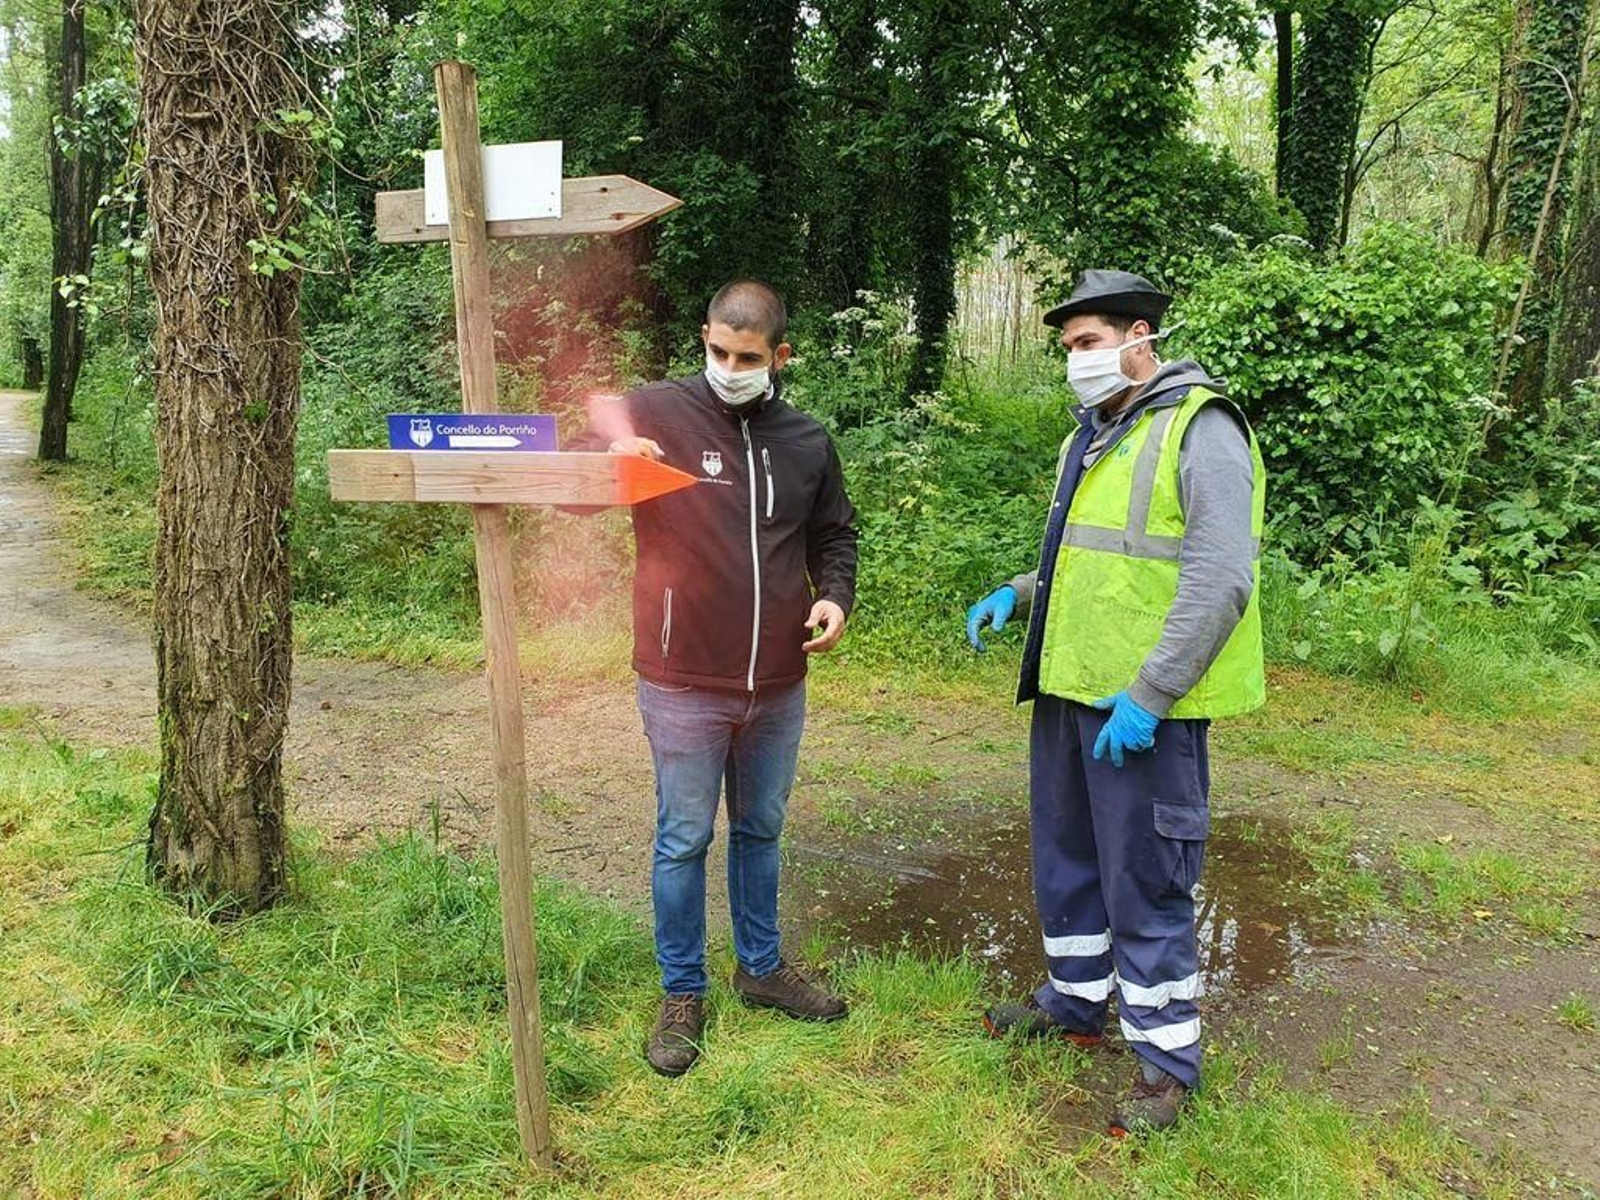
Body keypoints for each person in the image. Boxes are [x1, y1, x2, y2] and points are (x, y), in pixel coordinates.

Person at [965, 269, 1266, 1135]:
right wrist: (1022, 591)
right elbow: (1093, 556)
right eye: (1068, 348)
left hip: (1144, 710)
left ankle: (1166, 1063)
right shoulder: (1093, 433)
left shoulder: (1201, 427)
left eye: (1088, 342)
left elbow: (1220, 578)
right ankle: (1074, 1001)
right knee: (1068, 861)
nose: (1076, 360)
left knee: (1146, 878)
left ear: (1141, 337)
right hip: (1068, 691)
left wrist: (1151, 693)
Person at [568, 279, 859, 1077]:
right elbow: (575, 475)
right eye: (719, 352)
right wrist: (606, 462)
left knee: (760, 828)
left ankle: (760, 969)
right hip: (682, 678)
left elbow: (835, 535)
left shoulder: (806, 440)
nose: (730, 368)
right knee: (684, 837)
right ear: (704, 338)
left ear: (779, 356)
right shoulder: (656, 413)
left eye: (747, 357)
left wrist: (835, 597)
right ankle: (682, 992)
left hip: (778, 681)